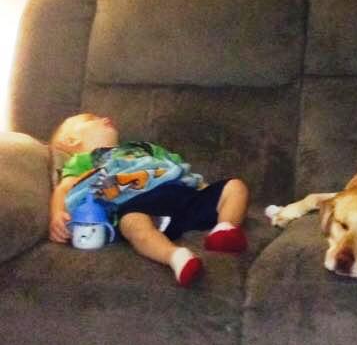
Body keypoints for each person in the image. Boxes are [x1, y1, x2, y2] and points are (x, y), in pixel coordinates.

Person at [48, 113, 250, 287]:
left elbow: (178, 169)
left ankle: (225, 229)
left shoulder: (144, 148)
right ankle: (176, 257)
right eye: (91, 118)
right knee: (131, 223)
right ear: (72, 140)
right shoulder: (83, 160)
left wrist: (206, 191)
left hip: (182, 195)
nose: (104, 117)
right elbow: (65, 188)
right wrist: (57, 213)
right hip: (140, 205)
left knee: (235, 187)